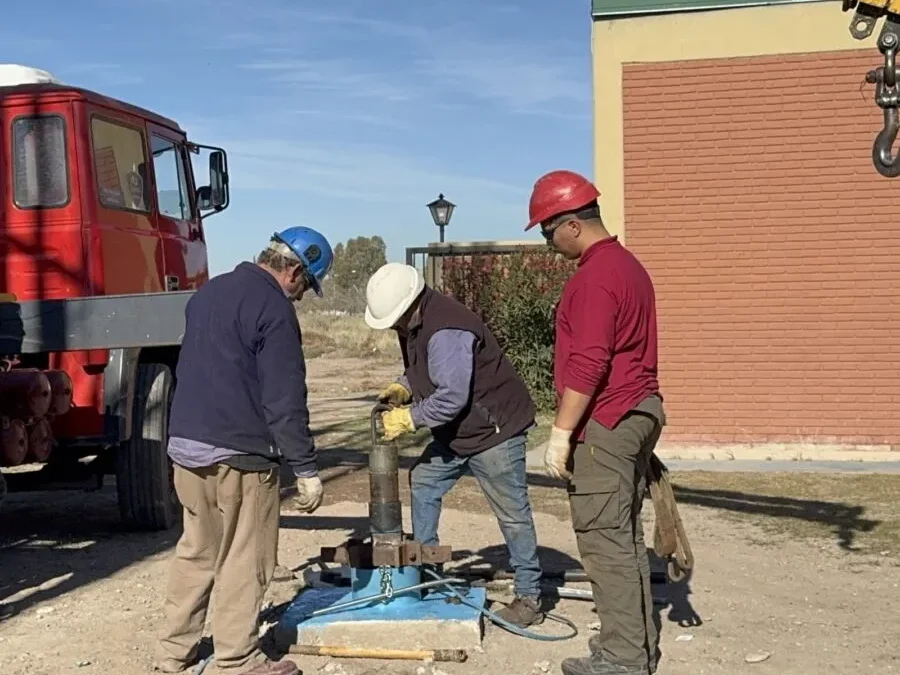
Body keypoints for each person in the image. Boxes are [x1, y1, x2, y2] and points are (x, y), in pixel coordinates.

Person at [155, 226, 334, 675]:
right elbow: (284, 397)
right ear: (293, 270)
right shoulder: (272, 308)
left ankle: (174, 653)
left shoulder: (208, 294)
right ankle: (237, 658)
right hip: (240, 454)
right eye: (305, 286)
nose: (301, 296)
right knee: (245, 555)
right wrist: (306, 467)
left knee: (197, 551)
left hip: (185, 446)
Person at [526, 170, 666, 675]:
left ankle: (624, 661)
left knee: (605, 544)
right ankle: (632, 648)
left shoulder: (593, 278)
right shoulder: (629, 267)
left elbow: (589, 364)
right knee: (624, 538)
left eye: (546, 230)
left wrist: (560, 435)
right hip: (638, 410)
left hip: (607, 421)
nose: (546, 242)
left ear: (570, 224)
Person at [363, 262, 545, 628]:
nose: (393, 328)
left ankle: (529, 598)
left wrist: (408, 418)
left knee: (512, 514)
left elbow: (451, 397)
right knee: (426, 480)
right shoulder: (414, 323)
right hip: (458, 432)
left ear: (407, 305)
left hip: (494, 430)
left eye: (394, 320)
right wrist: (405, 385)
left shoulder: (446, 328)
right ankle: (428, 569)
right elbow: (426, 370)